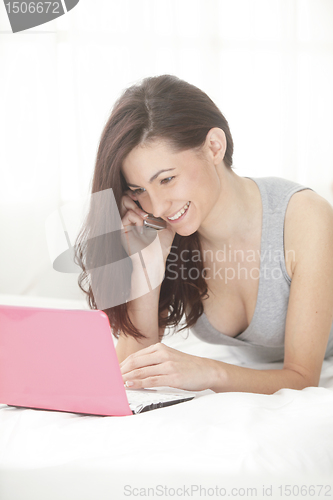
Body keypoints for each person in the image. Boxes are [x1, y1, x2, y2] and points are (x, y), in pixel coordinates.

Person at [75, 74, 333, 395]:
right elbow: (131, 371)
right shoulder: (168, 230)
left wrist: (208, 371)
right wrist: (149, 265)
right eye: (139, 189)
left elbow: (302, 378)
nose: (156, 206)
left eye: (167, 179)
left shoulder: (304, 216)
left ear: (214, 146)